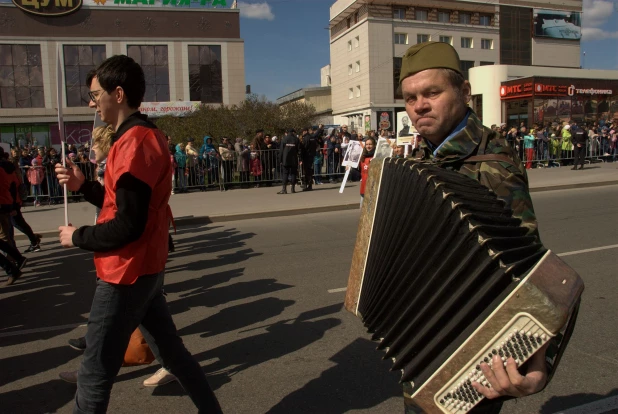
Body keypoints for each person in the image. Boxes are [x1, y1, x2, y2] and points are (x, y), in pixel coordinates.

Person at [54, 55, 222, 413]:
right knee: (173, 356)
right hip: (142, 269)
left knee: (94, 372)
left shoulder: (134, 143)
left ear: (117, 94)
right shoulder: (135, 137)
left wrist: (78, 236)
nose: (91, 101)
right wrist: (84, 186)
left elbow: (128, 225)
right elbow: (122, 205)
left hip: (125, 273)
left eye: (95, 93)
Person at [398, 41, 548, 413]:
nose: (419, 106)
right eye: (410, 97)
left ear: (464, 92)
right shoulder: (421, 155)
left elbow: (526, 266)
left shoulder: (492, 164)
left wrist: (537, 363)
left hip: (468, 348)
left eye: (432, 92)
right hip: (419, 340)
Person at [300, 124, 324, 191]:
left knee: (307, 171)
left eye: (302, 132)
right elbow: (316, 135)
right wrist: (319, 129)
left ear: (305, 131)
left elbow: (304, 148)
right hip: (311, 156)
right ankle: (308, 185)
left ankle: (307, 185)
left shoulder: (306, 138)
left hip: (306, 156)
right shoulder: (312, 137)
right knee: (309, 171)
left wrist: (301, 156)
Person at [277, 129, 300, 194]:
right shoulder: (296, 139)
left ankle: (284, 189)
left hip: (285, 159)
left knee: (285, 174)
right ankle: (293, 189)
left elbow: (281, 150)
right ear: (293, 132)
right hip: (293, 159)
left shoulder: (284, 139)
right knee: (293, 174)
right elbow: (299, 150)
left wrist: (280, 159)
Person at [357, 137, 375, 206]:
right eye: (367, 144)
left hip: (373, 188)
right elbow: (358, 173)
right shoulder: (362, 157)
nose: (368, 146)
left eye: (370, 144)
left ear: (374, 145)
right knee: (362, 209)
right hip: (364, 187)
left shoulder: (376, 157)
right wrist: (350, 168)